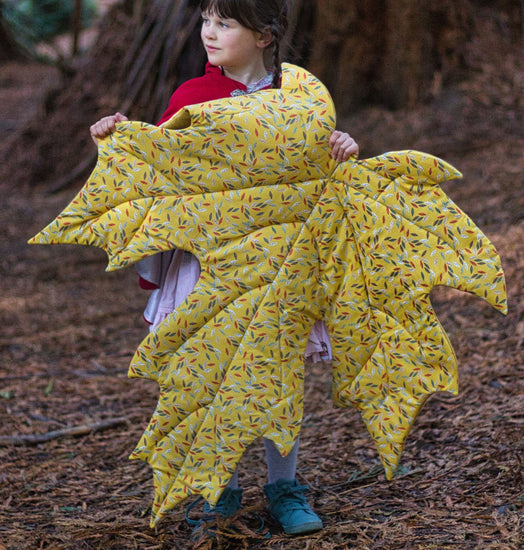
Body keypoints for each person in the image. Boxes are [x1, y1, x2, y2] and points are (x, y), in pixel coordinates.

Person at [90, 0, 359, 537]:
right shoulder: (191, 98)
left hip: (280, 261)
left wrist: (343, 149)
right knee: (212, 373)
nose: (208, 33)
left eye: (225, 23)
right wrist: (117, 143)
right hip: (208, 263)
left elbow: (314, 178)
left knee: (278, 371)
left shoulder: (298, 96)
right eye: (206, 21)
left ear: (264, 35)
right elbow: (160, 175)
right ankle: (220, 489)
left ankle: (285, 488)